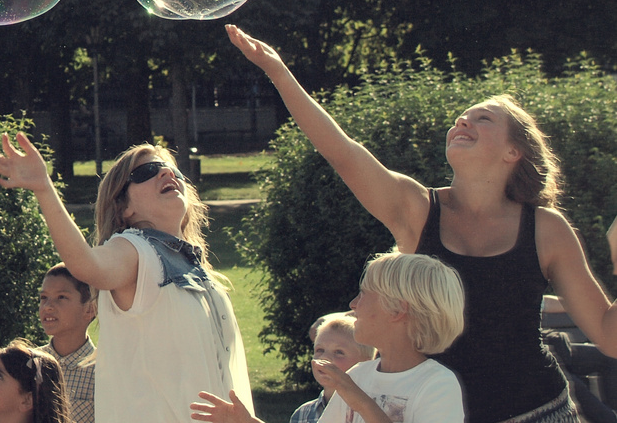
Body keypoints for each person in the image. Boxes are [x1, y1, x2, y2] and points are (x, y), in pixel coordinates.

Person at [228, 24, 617, 423]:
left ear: (514, 151)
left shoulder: (545, 229)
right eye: (460, 118)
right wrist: (277, 70)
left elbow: (608, 334)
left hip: (539, 413)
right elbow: (343, 153)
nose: (462, 122)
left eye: (482, 119)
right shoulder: (417, 208)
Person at [0, 137, 251, 423]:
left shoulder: (201, 273)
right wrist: (44, 188)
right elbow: (86, 265)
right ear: (124, 208)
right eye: (147, 172)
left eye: (173, 171)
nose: (167, 173)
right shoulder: (135, 250)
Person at [192, 250, 465, 423]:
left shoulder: (436, 384)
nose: (353, 304)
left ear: (397, 310)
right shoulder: (359, 375)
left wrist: (358, 399)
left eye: (365, 293)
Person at [288, 313, 374, 423]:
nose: (324, 357)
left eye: (339, 352)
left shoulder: (371, 413)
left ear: (365, 364)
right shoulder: (303, 414)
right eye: (320, 350)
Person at [38, 264, 95, 421]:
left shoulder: (103, 372)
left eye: (61, 297)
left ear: (90, 309)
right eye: (44, 298)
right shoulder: (27, 363)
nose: (48, 307)